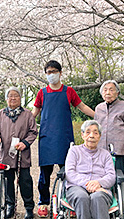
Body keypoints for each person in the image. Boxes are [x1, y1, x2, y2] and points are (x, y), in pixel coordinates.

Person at [32, 60, 95, 217]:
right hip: (46, 138)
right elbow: (34, 113)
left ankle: (69, 201)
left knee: (69, 171)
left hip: (64, 137)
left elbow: (82, 107)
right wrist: (21, 125)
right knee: (44, 173)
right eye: (48, 72)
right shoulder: (42, 93)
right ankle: (43, 202)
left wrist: (100, 116)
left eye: (54, 71)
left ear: (60, 73)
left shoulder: (69, 91)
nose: (51, 75)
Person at [0, 87, 38, 219]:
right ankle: (10, 205)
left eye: (16, 95)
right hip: (5, 154)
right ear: (6, 98)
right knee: (7, 181)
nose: (13, 98)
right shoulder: (0, 114)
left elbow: (33, 131)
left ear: (20, 98)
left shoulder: (27, 114)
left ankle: (29, 207)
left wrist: (25, 143)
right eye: (10, 95)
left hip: (22, 154)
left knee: (25, 181)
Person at [65, 120, 116, 219]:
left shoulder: (106, 155)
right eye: (88, 132)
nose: (91, 136)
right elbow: (70, 173)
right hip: (77, 187)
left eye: (95, 133)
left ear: (99, 136)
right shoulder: (74, 151)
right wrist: (90, 184)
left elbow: (111, 176)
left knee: (98, 197)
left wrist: (99, 183)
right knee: (82, 197)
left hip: (101, 189)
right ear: (82, 135)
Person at [94, 80, 124, 172]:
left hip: (118, 151)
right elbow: (95, 129)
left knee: (118, 179)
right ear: (102, 93)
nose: (108, 92)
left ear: (117, 93)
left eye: (111, 90)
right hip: (101, 151)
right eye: (105, 90)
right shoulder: (99, 108)